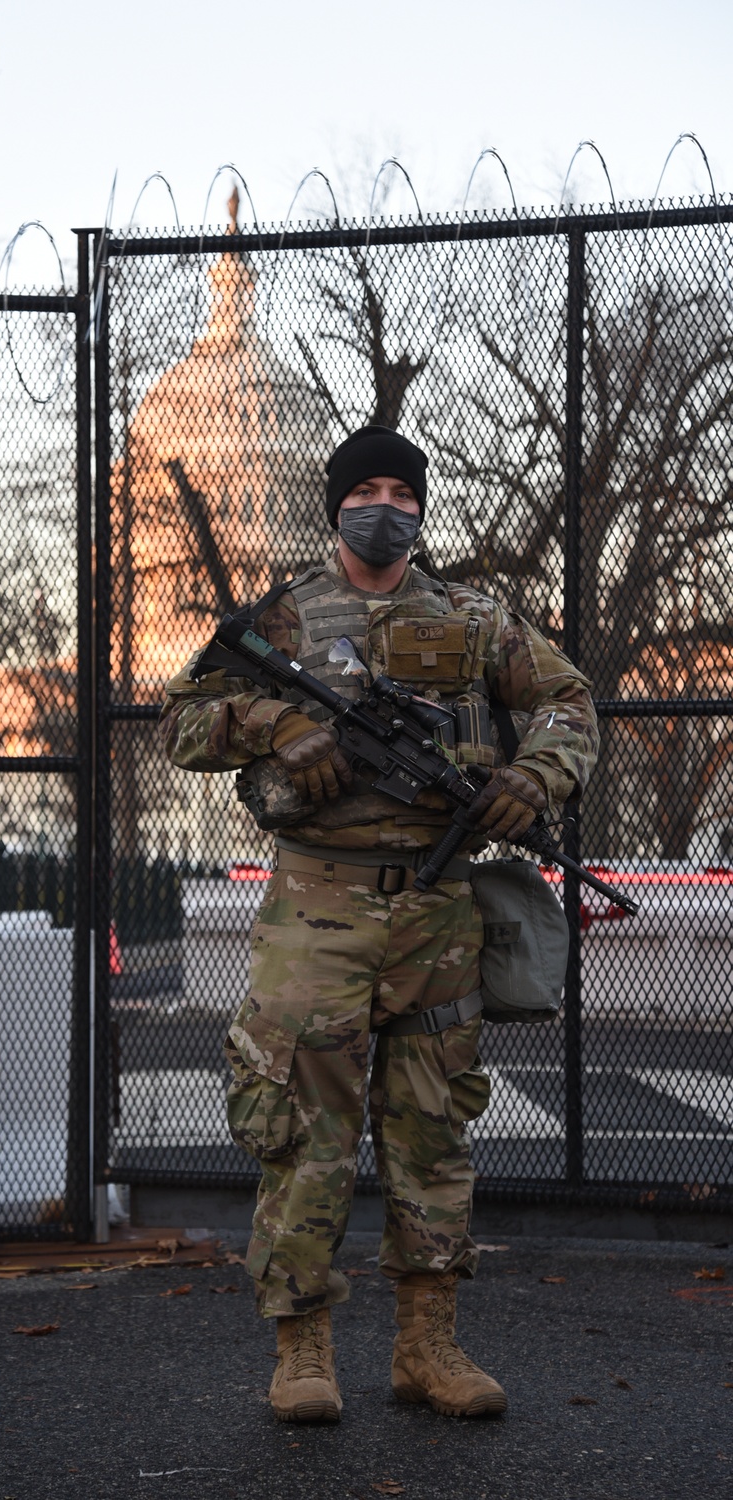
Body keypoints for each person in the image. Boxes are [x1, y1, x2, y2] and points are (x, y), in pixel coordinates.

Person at [158, 426, 599, 1424]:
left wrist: (533, 775)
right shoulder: (281, 617)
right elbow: (182, 720)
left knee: (432, 1131)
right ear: (338, 504)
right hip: (316, 904)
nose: (387, 506)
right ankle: (302, 1351)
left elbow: (569, 699)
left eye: (404, 490)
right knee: (303, 1134)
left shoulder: (473, 618)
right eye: (370, 490)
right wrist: (276, 722)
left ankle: (426, 1347)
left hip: (438, 911)